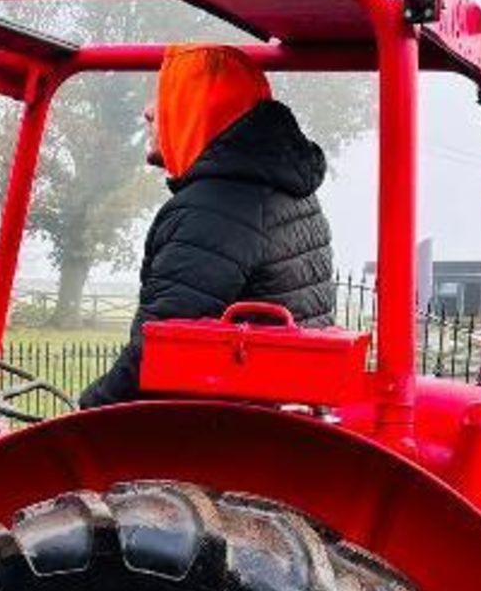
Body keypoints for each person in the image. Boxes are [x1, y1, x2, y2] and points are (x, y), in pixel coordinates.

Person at [78, 44, 336, 407]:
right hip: (274, 413)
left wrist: (89, 409)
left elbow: (157, 352)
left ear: (201, 109)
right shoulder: (284, 189)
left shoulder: (215, 207)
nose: (149, 112)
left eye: (169, 95)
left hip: (224, 428)